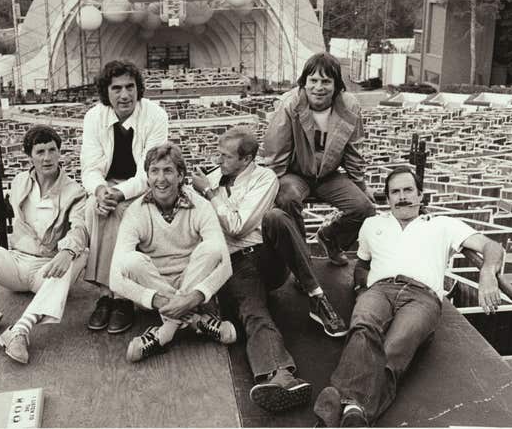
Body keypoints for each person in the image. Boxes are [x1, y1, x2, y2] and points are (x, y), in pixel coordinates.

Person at [313, 166, 503, 427]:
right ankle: (355, 412)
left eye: (407, 190)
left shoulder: (443, 224)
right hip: (379, 289)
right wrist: (362, 287)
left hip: (422, 297)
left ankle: (342, 404)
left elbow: (491, 246)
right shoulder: (372, 224)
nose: (402, 197)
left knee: (397, 346)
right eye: (395, 192)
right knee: (363, 327)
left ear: (420, 195)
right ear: (388, 199)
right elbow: (361, 265)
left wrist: (488, 274)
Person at [191, 126, 347, 412]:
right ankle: (280, 376)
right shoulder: (210, 179)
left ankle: (317, 297)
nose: (219, 160)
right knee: (254, 313)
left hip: (267, 259)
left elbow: (237, 227)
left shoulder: (264, 178)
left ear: (247, 158)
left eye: (226, 156)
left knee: (276, 217)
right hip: (236, 263)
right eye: (219, 154)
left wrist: (212, 195)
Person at [0, 125, 89, 364]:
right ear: (29, 156)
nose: (47, 158)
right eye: (40, 151)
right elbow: (4, 202)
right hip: (15, 263)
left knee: (80, 254)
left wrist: (67, 251)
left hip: (47, 270)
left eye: (52, 150)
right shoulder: (21, 181)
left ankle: (19, 331)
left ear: (59, 152)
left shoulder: (74, 192)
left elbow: (79, 227)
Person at [110, 143, 235, 362]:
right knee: (130, 261)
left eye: (168, 170)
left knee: (214, 249)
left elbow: (225, 263)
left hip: (193, 278)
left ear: (180, 176)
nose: (161, 178)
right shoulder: (135, 212)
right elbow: (115, 277)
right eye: (154, 171)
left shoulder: (201, 206)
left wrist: (192, 297)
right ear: (147, 177)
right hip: (154, 284)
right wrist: (159, 299)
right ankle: (197, 320)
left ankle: (164, 333)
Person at [263, 52, 375, 266]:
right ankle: (301, 258)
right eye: (313, 80)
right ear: (304, 83)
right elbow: (276, 149)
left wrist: (360, 184)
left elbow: (353, 150)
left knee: (364, 208)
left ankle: (331, 238)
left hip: (328, 175)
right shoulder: (290, 105)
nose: (319, 87)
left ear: (337, 85)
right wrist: (272, 187)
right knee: (287, 199)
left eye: (326, 81)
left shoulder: (349, 107)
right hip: (294, 174)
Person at [81, 60, 169, 334]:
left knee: (121, 212)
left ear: (138, 89)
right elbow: (90, 167)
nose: (124, 95)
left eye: (130, 87)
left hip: (146, 187)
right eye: (116, 88)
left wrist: (118, 193)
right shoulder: (94, 117)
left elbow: (150, 171)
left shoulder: (155, 115)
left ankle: (120, 297)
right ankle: (110, 294)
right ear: (106, 92)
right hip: (108, 186)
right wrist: (100, 191)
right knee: (94, 208)